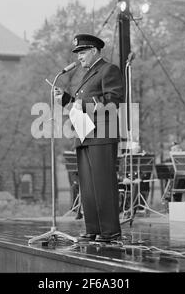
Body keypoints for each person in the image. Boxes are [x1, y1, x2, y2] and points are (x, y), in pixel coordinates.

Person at [54, 34, 124, 242]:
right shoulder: (88, 74)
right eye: (78, 54)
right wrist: (66, 98)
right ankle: (93, 228)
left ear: (94, 51)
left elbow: (113, 101)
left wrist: (81, 103)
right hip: (85, 135)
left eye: (82, 53)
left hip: (102, 134)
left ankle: (110, 231)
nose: (79, 57)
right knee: (88, 186)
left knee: (103, 184)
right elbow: (80, 103)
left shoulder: (108, 70)